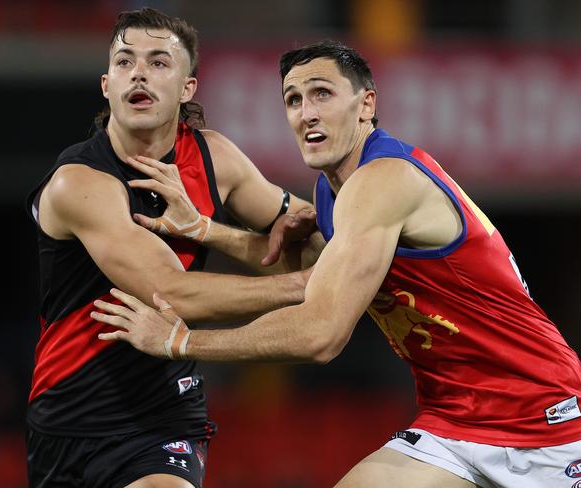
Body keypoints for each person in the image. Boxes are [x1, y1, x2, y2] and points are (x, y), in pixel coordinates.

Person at [92, 40, 581, 487]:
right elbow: (313, 276)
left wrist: (179, 341)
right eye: (293, 100)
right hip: (453, 419)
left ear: (366, 104)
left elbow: (320, 334)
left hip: (544, 418)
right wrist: (205, 230)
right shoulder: (331, 191)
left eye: (322, 93)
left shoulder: (383, 180)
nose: (306, 113)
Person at [25, 7, 319, 488]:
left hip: (164, 417)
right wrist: (306, 286)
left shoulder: (214, 158)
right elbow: (171, 293)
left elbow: (309, 246)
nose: (139, 72)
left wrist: (210, 231)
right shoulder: (77, 183)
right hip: (69, 421)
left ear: (188, 88)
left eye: (159, 62)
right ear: (106, 85)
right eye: (125, 62)